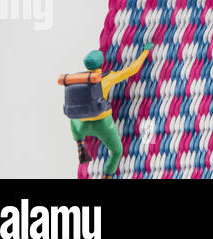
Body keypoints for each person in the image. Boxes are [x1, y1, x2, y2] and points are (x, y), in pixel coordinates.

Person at [60, 46, 152, 178]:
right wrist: (145, 51)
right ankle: (107, 175)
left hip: (82, 126)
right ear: (101, 64)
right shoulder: (106, 77)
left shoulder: (76, 78)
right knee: (117, 151)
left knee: (73, 117)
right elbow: (132, 69)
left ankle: (80, 145)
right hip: (103, 124)